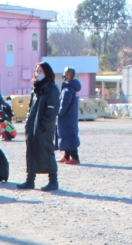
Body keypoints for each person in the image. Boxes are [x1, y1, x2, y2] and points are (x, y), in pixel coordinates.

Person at [18, 62, 59, 191]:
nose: (38, 73)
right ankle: (30, 180)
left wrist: (43, 126)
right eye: (37, 71)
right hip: (33, 126)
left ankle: (53, 181)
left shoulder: (51, 89)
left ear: (47, 73)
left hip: (44, 129)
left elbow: (52, 111)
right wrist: (28, 123)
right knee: (31, 151)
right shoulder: (36, 90)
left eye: (41, 71)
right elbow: (31, 108)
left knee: (47, 151)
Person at [57, 68, 80, 165]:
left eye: (65, 73)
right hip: (71, 116)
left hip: (67, 117)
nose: (63, 74)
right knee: (66, 136)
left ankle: (75, 157)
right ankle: (67, 156)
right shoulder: (72, 88)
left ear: (69, 75)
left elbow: (64, 104)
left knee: (69, 136)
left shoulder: (68, 89)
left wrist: (59, 113)